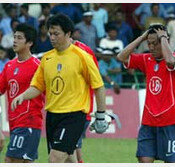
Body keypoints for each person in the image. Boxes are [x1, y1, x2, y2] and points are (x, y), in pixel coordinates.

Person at [11, 14, 109, 163]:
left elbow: (99, 86)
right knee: (68, 160)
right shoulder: (47, 58)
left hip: (73, 116)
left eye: (56, 34)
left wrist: (101, 115)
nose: (52, 37)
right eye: (50, 33)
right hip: (52, 116)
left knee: (54, 159)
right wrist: (22, 96)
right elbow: (37, 86)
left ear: (68, 34)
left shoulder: (82, 56)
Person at [117, 23, 175, 163]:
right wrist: (142, 37)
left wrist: (164, 38)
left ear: (165, 40)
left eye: (155, 43)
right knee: (144, 161)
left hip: (170, 122)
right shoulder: (146, 59)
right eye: (149, 43)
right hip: (148, 122)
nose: (151, 47)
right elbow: (121, 57)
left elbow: (170, 61)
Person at [0, 23, 43, 163]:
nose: (15, 41)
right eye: (14, 37)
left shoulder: (37, 66)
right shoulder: (9, 66)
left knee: (10, 160)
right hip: (14, 122)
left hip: (29, 122)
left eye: (19, 38)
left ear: (29, 42)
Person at [71, 38, 98, 163]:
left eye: (56, 34)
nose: (53, 38)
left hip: (80, 109)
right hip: (69, 109)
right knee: (72, 149)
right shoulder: (59, 51)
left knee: (67, 151)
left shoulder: (83, 51)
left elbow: (95, 79)